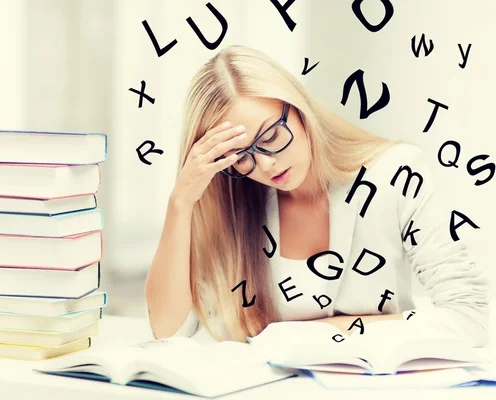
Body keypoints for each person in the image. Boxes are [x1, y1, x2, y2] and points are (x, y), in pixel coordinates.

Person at [144, 45, 491, 346]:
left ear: (298, 109)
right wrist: (181, 202)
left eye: (270, 137)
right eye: (242, 156)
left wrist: (331, 331)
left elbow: (470, 316)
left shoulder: (395, 171)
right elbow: (168, 331)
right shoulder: (237, 199)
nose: (265, 164)